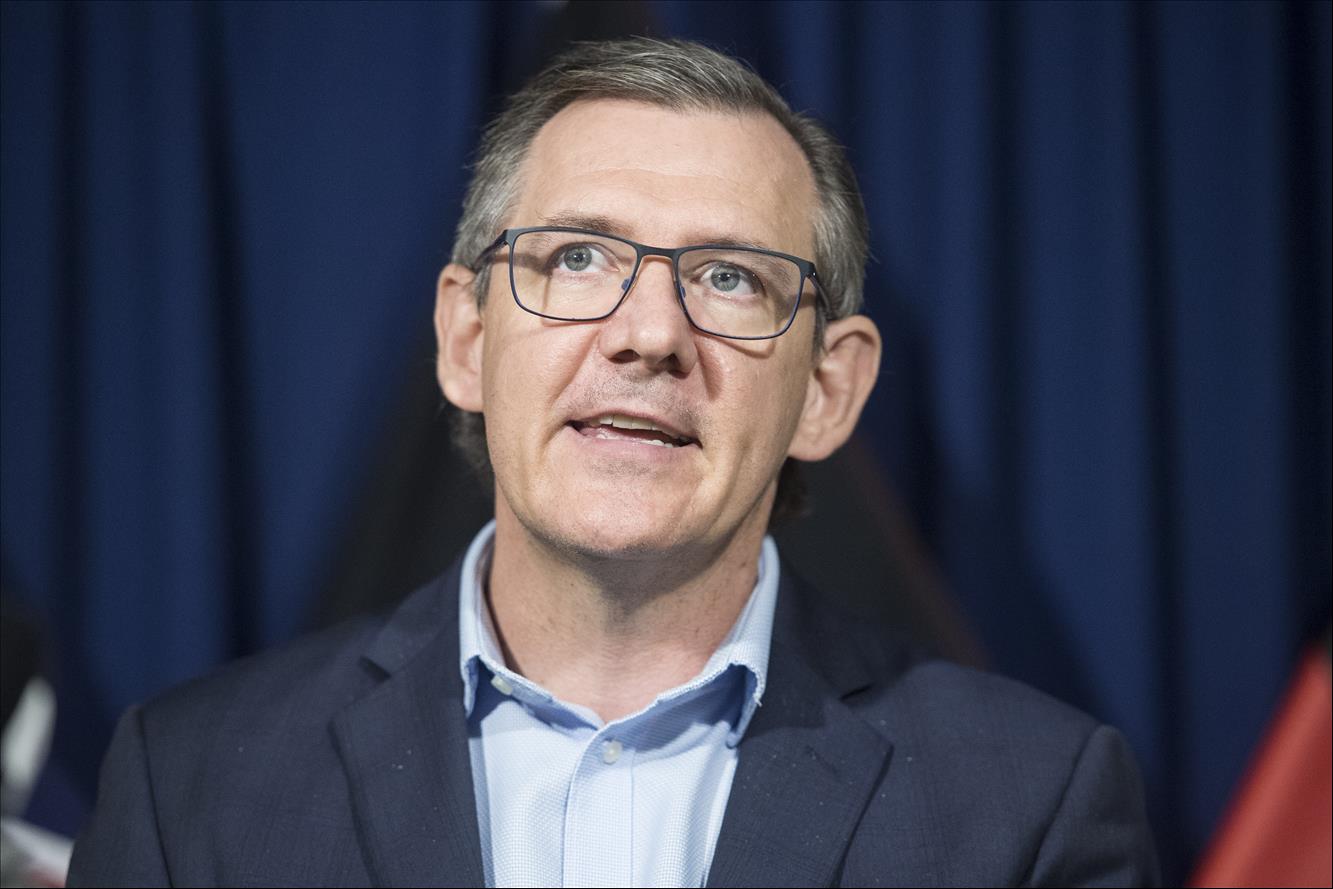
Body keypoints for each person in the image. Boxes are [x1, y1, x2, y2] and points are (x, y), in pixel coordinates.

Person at [68, 38, 1159, 888]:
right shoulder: (189, 785)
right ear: (467, 340)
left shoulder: (1031, 807)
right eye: (578, 256)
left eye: (730, 277)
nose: (648, 334)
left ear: (827, 389)